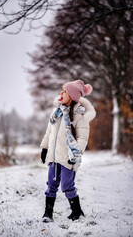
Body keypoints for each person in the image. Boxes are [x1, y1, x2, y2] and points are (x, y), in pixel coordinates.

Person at [40, 79, 96, 222]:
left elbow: (83, 138)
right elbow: (49, 132)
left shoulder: (79, 116)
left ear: (72, 96)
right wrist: (45, 148)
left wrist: (76, 154)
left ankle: (77, 212)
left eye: (65, 91)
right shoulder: (56, 112)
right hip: (54, 156)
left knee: (66, 185)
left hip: (68, 157)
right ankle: (48, 214)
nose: (61, 93)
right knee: (51, 184)